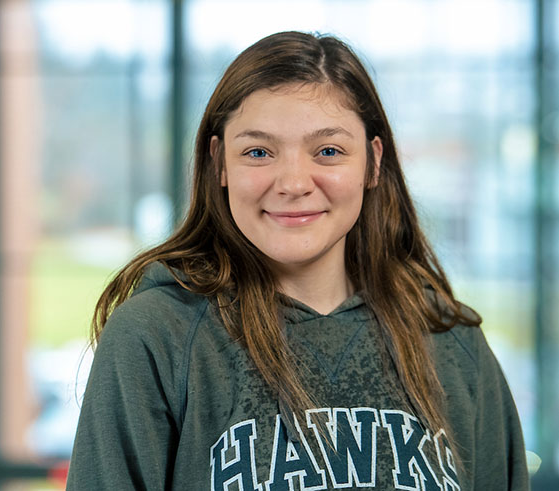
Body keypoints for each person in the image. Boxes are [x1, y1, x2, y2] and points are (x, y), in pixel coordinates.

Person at [65, 31, 529, 490]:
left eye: (328, 151)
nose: (292, 183)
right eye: (258, 152)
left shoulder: (452, 343)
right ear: (219, 163)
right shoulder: (156, 337)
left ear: (372, 162)